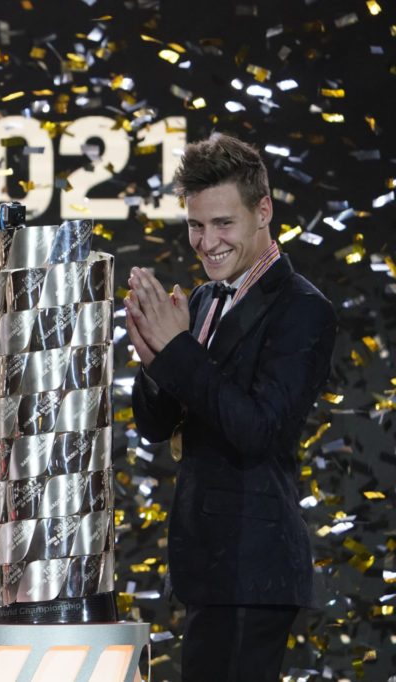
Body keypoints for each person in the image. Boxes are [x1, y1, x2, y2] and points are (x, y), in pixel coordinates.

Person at [123, 133, 336, 682]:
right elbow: (154, 426)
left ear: (263, 210)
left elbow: (257, 429)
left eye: (223, 224)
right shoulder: (201, 299)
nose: (206, 242)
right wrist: (153, 360)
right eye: (196, 225)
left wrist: (177, 352)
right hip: (210, 570)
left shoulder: (303, 310)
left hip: (252, 571)